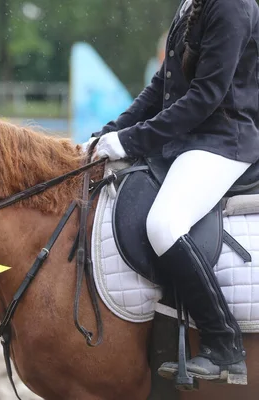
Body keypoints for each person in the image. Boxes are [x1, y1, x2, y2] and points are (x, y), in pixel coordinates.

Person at [86, 0, 259, 385]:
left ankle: (223, 343)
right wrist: (108, 133)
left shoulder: (231, 6)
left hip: (223, 142)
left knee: (164, 224)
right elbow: (161, 87)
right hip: (185, 141)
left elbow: (206, 96)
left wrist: (131, 140)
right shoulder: (190, 4)